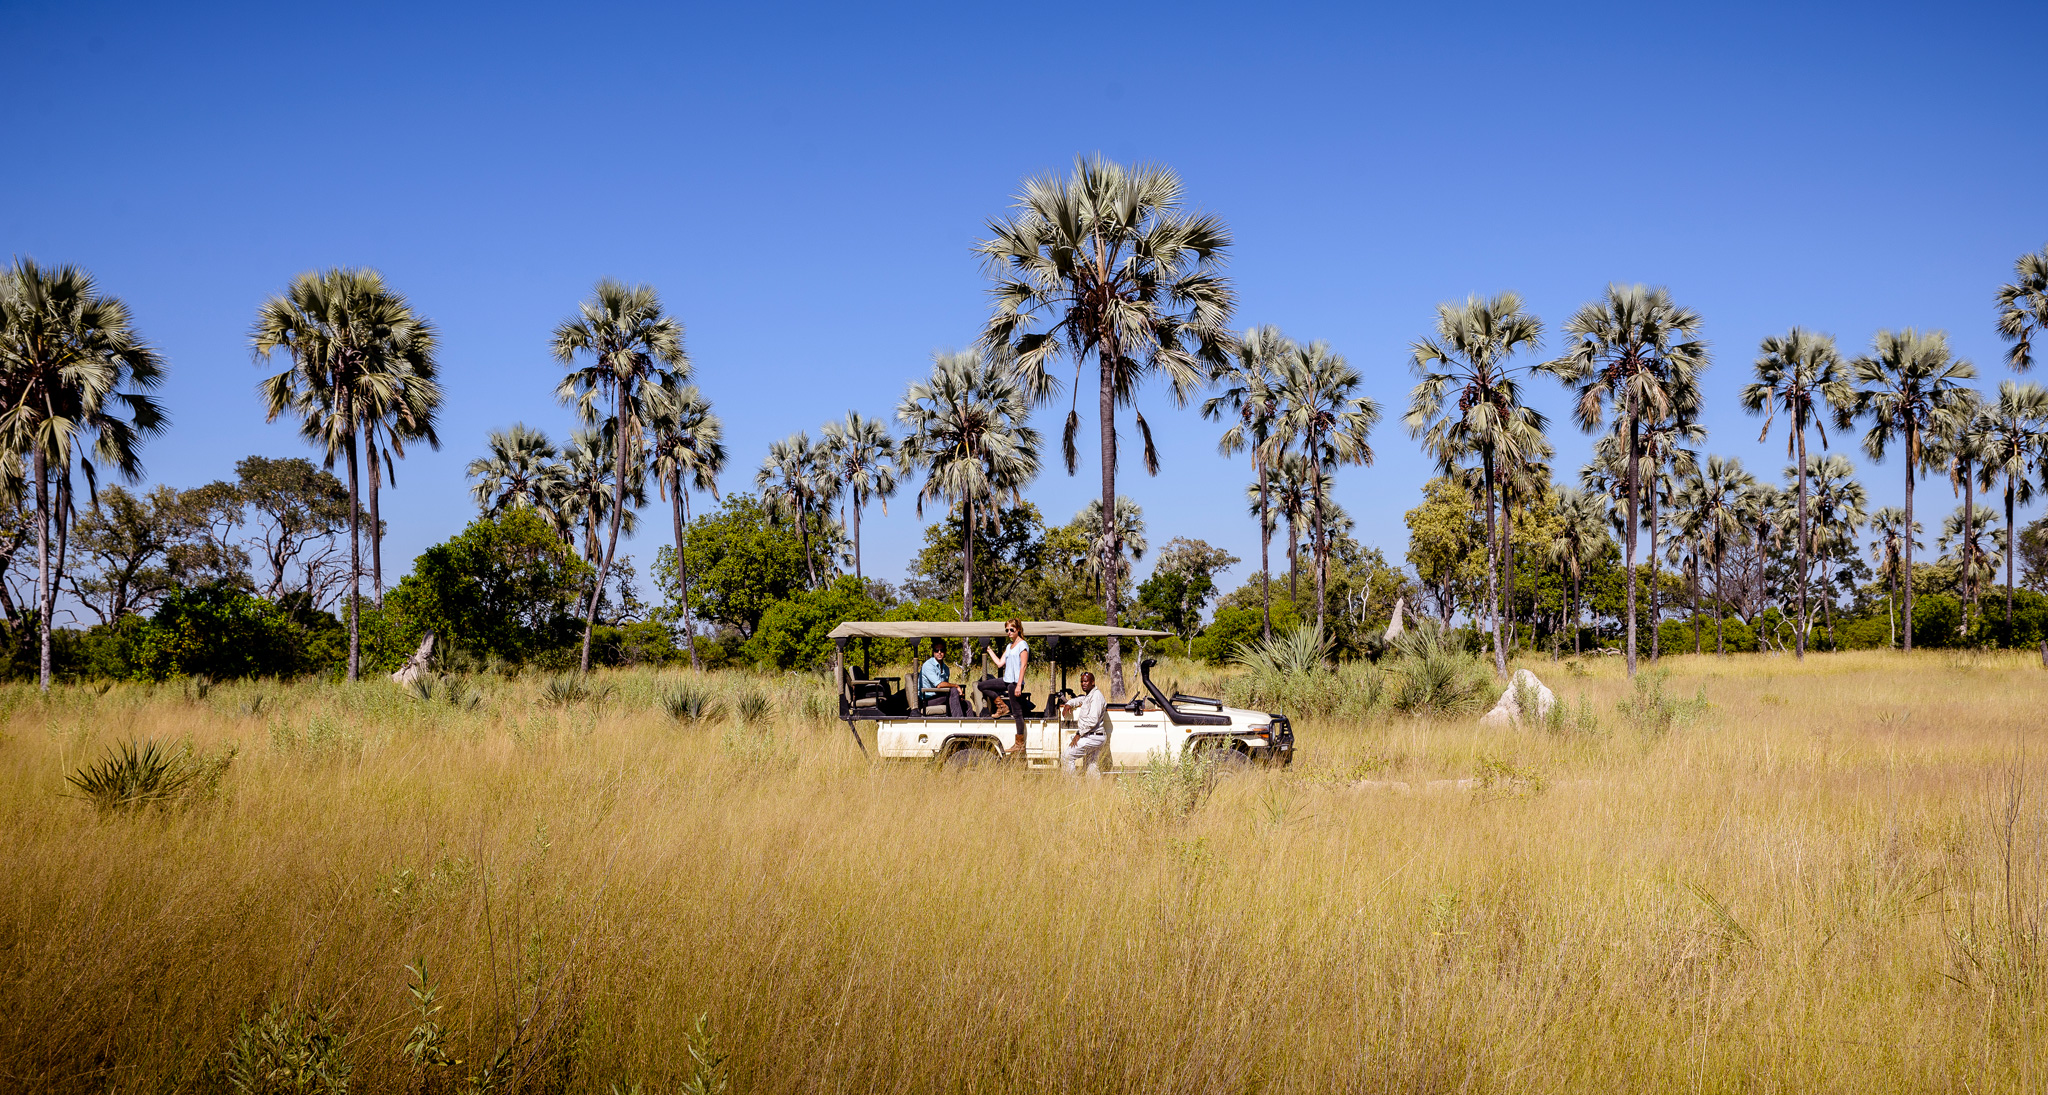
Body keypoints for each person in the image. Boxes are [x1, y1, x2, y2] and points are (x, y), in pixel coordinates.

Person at [978, 619, 1030, 755]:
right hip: (1007, 680)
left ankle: (1020, 743)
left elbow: (1023, 666)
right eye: (1007, 630)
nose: (1009, 632)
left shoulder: (1022, 645)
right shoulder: (1009, 647)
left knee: (1017, 713)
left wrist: (1019, 685)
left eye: (1011, 630)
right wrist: (989, 650)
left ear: (1018, 629)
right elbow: (1000, 663)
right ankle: (1001, 706)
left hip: (1015, 683)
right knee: (982, 685)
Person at [1061, 671, 1109, 776]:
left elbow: (1093, 720)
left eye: (1086, 681)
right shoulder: (1090, 695)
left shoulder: (1096, 696)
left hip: (1093, 737)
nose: (1083, 684)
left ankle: (1073, 788)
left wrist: (1079, 734)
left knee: (1067, 756)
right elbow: (1080, 699)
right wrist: (1068, 704)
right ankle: (1096, 790)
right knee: (1091, 767)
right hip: (1094, 736)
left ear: (1093, 682)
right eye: (1082, 681)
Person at [918, 639, 964, 717]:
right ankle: (958, 720)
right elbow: (939, 685)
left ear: (945, 652)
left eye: (942, 650)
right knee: (953, 691)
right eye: (937, 650)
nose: (939, 652)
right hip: (927, 699)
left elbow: (945, 686)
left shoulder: (946, 668)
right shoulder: (928, 665)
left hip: (939, 696)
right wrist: (956, 686)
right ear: (933, 652)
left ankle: (972, 725)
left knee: (967, 703)